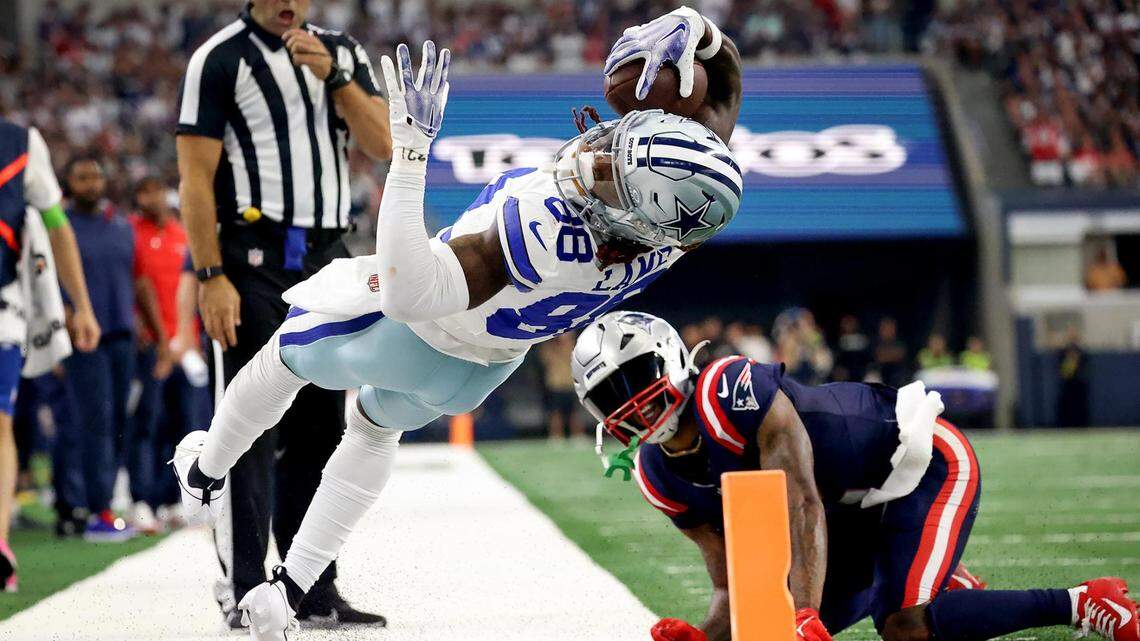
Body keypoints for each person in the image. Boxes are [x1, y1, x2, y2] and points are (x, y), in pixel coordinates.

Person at [173, 7, 744, 638]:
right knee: (369, 431)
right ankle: (291, 590)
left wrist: (411, 150)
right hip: (482, 373)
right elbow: (716, 115)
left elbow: (407, 291)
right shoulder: (674, 234)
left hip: (411, 336)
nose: (600, 154)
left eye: (613, 167)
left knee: (286, 351)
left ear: (630, 208)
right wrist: (705, 36)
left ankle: (203, 471)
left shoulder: (546, 224)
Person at [570, 311, 1140, 641]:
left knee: (904, 625)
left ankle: (1081, 602)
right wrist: (709, 638)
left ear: (670, 358)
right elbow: (732, 589)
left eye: (636, 379)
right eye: (611, 397)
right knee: (766, 632)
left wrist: (804, 610)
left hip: (918, 462)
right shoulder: (659, 476)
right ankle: (938, 580)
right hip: (853, 509)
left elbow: (803, 505)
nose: (633, 406)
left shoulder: (727, 392)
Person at [175, 0, 392, 626]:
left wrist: (337, 78)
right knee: (248, 427)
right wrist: (210, 274)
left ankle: (310, 590)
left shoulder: (341, 52)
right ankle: (244, 591)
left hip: (327, 261)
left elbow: (381, 143)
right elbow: (194, 176)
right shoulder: (219, 60)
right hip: (251, 261)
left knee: (322, 429)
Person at [0, 117, 101, 592]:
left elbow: (57, 225)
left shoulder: (21, 143)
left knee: (0, 421)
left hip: (3, 307)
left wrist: (79, 304)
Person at [56, 156, 167, 543]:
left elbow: (136, 280)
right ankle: (94, 511)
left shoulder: (119, 225)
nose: (91, 183)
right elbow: (51, 282)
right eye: (82, 176)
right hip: (85, 337)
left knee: (119, 422)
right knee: (94, 423)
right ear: (69, 183)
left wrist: (149, 328)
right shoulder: (61, 226)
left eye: (96, 175)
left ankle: (104, 505)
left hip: (123, 337)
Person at [126, 177, 208, 534]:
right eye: (147, 191)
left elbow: (196, 293)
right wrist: (153, 337)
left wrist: (190, 341)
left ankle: (174, 499)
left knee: (184, 424)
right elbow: (129, 286)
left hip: (184, 348)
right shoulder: (130, 234)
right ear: (138, 196)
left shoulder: (181, 236)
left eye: (158, 190)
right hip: (149, 347)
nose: (154, 197)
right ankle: (142, 500)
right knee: (146, 423)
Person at [537, 333, 584, 440]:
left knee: (574, 412)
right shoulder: (549, 348)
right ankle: (556, 435)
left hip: (570, 383)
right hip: (555, 384)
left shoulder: (573, 347)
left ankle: (577, 435)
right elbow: (545, 359)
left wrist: (567, 343)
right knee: (555, 412)